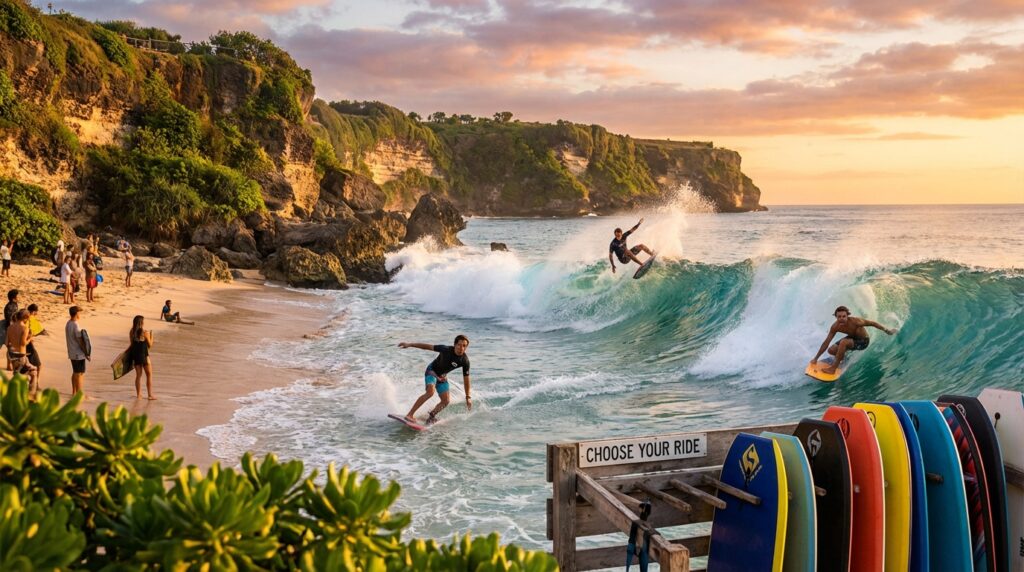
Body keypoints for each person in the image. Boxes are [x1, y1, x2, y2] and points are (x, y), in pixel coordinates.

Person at [399, 335, 472, 424]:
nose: (461, 348)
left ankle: (431, 417)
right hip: (432, 371)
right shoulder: (445, 349)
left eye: (464, 346)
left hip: (442, 377)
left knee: (446, 401)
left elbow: (466, 379)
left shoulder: (465, 361)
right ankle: (410, 414)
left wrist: (468, 397)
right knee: (430, 392)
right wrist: (409, 344)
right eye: (459, 345)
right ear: (455, 345)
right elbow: (426, 347)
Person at [810, 305, 898, 374]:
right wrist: (816, 358)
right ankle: (844, 358)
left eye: (843, 316)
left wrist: (887, 331)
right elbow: (826, 342)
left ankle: (833, 368)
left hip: (863, 341)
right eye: (839, 317)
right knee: (831, 350)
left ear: (847, 316)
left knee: (843, 342)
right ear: (836, 317)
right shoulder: (835, 327)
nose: (841, 319)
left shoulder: (856, 321)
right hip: (851, 339)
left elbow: (873, 323)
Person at [5, 309, 37, 392]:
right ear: (25, 318)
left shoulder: (10, 327)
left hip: (12, 355)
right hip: (21, 356)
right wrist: (30, 338)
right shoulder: (24, 328)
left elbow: (6, 343)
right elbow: (23, 344)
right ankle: (30, 396)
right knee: (33, 373)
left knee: (20, 374)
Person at [129, 315, 155, 400]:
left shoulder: (132, 332)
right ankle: (150, 395)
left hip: (136, 356)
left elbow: (132, 345)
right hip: (144, 355)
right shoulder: (145, 332)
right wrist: (152, 336)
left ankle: (139, 395)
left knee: (138, 376)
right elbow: (150, 345)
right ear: (141, 322)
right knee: (149, 375)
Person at [65, 306, 89, 395]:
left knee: (75, 372)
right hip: (78, 353)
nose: (80, 314)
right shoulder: (75, 325)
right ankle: (79, 394)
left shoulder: (68, 323)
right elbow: (80, 341)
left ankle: (74, 392)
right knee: (79, 373)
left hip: (71, 352)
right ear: (76, 313)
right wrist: (86, 353)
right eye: (80, 312)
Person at [25, 304, 43, 390]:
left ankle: (32, 383)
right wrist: (31, 337)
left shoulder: (25, 319)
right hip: (29, 346)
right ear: (33, 312)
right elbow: (31, 333)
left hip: (24, 346)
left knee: (28, 366)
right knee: (38, 365)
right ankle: (35, 384)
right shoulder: (30, 320)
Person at [3, 289, 18, 371]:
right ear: (14, 297)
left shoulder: (14, 304)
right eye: (18, 295)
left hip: (11, 327)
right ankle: (9, 365)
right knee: (10, 347)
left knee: (11, 348)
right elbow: (10, 319)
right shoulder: (11, 306)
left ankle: (10, 364)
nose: (19, 297)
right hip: (9, 328)